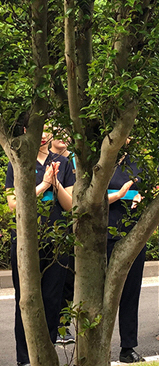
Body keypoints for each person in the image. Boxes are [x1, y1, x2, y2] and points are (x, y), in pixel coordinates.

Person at [6, 125, 75, 366]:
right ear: (27, 130)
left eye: (49, 130)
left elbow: (69, 206)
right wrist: (43, 185)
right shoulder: (18, 163)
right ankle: (25, 358)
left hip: (57, 241)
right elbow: (14, 205)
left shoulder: (62, 163)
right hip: (26, 241)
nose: (44, 135)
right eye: (39, 130)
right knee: (26, 299)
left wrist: (56, 183)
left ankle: (47, 354)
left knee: (52, 299)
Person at [107, 147, 147, 363]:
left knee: (131, 292)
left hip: (133, 234)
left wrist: (142, 197)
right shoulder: (102, 159)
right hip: (103, 233)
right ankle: (99, 346)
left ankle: (128, 346)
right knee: (102, 293)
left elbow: (149, 191)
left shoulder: (139, 160)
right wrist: (118, 196)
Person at [50, 130, 76, 345]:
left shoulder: (74, 160)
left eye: (65, 132)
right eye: (56, 132)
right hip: (48, 230)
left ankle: (63, 325)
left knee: (68, 281)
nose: (61, 136)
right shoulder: (45, 161)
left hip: (72, 228)